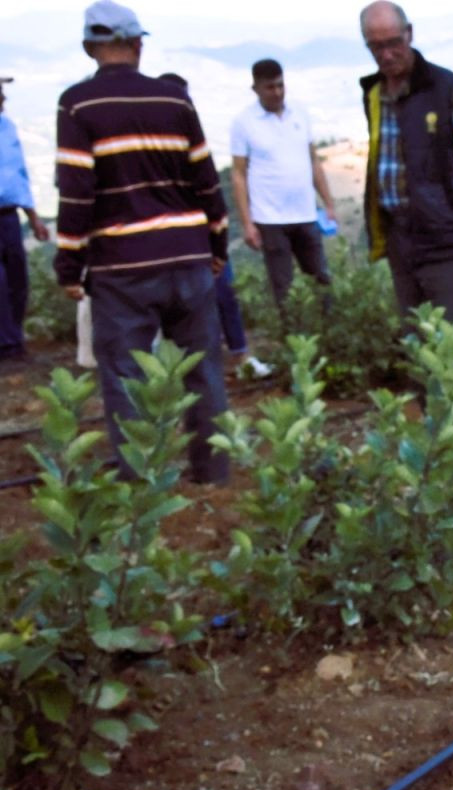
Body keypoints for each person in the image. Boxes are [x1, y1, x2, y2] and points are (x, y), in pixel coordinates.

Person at [54, 0, 231, 484]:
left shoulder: (77, 104)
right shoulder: (175, 101)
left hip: (121, 268)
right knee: (202, 371)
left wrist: (69, 266)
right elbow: (206, 181)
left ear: (91, 47)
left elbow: (76, 193)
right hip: (188, 257)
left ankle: (139, 488)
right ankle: (213, 475)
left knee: (125, 380)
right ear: (137, 44)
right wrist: (217, 246)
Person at [358, 0, 453, 321]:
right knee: (419, 344)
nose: (386, 54)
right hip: (402, 243)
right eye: (376, 46)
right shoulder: (374, 94)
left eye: (393, 43)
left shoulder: (448, 89)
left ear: (409, 35)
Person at [158, 72, 270, 379]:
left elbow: (210, 191)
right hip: (176, 239)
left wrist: (218, 239)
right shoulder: (156, 146)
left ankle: (238, 355)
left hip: (202, 234)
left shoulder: (190, 138)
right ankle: (179, 366)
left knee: (224, 295)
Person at [230, 58, 336, 320]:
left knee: (322, 280)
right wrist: (248, 223)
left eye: (280, 85)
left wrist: (329, 202)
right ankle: (293, 341)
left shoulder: (300, 114)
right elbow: (239, 174)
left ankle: (333, 334)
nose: (277, 92)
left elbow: (313, 161)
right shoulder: (244, 122)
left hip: (305, 213)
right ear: (255, 88)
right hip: (270, 219)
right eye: (269, 87)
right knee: (284, 289)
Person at [0, 75, 50, 367]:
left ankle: (14, 339)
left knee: (18, 280)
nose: (4, 99)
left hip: (9, 215)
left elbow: (19, 175)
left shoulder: (7, 128)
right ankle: (7, 346)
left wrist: (34, 217)